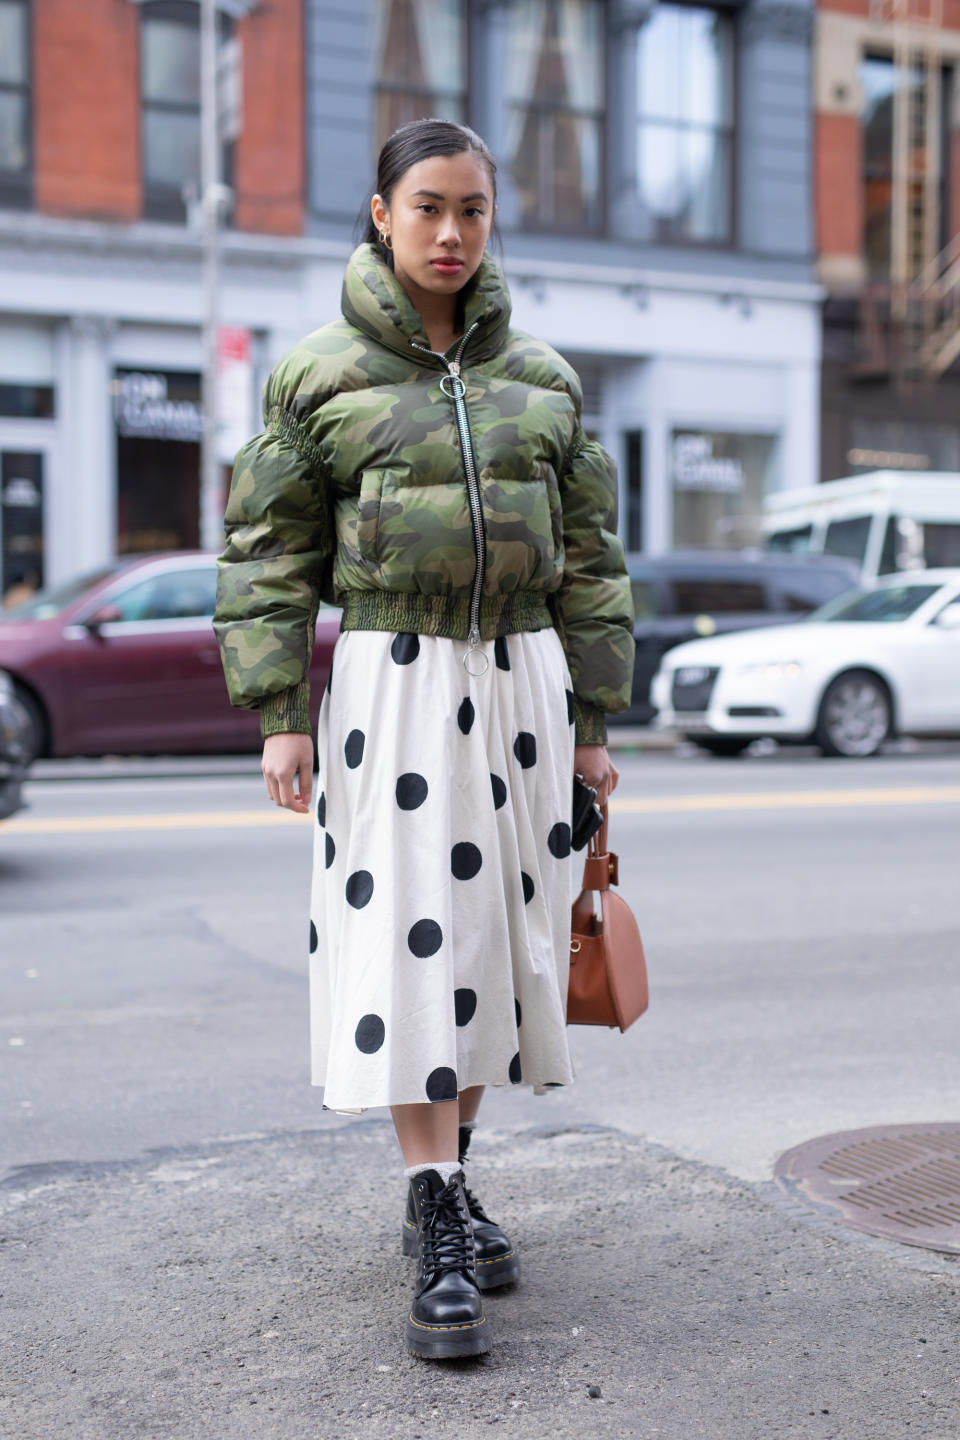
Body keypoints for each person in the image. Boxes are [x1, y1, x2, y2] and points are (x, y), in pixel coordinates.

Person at [213, 119, 634, 1360]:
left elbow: (593, 566)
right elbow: (267, 557)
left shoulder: (547, 380)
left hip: (526, 681)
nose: (451, 234)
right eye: (428, 208)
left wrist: (596, 725)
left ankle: (453, 1178)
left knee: (497, 939)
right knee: (412, 938)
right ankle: (432, 1205)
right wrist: (282, 712)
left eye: (474, 211)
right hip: (391, 680)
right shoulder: (318, 374)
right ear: (382, 215)